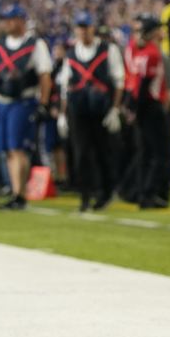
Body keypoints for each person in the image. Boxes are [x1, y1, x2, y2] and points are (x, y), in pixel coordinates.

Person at [0, 4, 54, 210]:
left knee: (17, 148)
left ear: (21, 21)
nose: (7, 23)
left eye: (11, 19)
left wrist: (43, 103)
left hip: (23, 101)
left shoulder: (35, 44)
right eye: (5, 19)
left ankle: (19, 193)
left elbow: (45, 76)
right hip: (2, 102)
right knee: (7, 149)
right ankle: (15, 189)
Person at [57, 11, 125, 212]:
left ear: (92, 28)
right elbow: (64, 87)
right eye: (80, 27)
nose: (83, 31)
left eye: (86, 27)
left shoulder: (108, 49)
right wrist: (62, 114)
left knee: (103, 152)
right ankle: (85, 195)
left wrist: (114, 109)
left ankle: (105, 192)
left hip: (101, 109)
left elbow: (119, 81)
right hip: (78, 110)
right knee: (81, 154)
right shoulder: (70, 55)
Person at [124, 13, 170, 209]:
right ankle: (148, 194)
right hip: (150, 106)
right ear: (153, 32)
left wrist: (131, 107)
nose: (162, 32)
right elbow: (143, 85)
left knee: (145, 152)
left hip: (141, 105)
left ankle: (140, 192)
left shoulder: (136, 51)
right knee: (160, 154)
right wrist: (136, 108)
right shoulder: (151, 53)